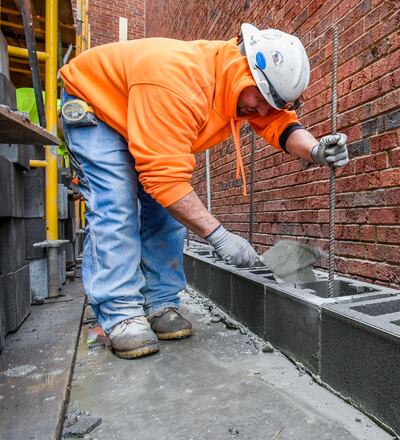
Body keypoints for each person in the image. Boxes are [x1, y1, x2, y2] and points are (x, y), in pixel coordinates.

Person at [59, 24, 348, 359]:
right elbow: (163, 179)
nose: (262, 113)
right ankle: (122, 313)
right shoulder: (179, 82)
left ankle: (161, 304)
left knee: (164, 214)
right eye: (261, 100)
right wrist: (219, 235)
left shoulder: (242, 85)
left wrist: (314, 150)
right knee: (118, 206)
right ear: (245, 70)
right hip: (98, 108)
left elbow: (278, 122)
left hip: (144, 109)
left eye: (273, 104)